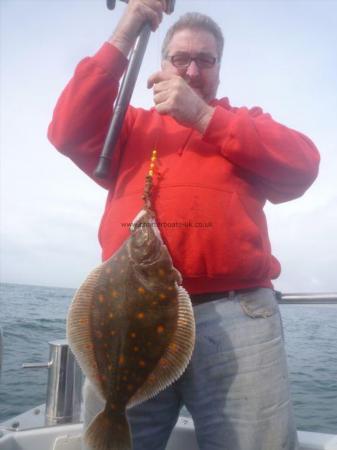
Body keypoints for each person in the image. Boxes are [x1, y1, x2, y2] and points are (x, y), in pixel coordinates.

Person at [48, 1, 320, 449]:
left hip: (235, 317)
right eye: (181, 59)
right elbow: (66, 129)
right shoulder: (128, 126)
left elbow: (302, 166)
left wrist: (204, 117)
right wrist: (128, 25)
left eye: (205, 60)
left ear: (219, 68)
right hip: (125, 315)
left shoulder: (246, 124)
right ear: (162, 66)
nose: (192, 70)